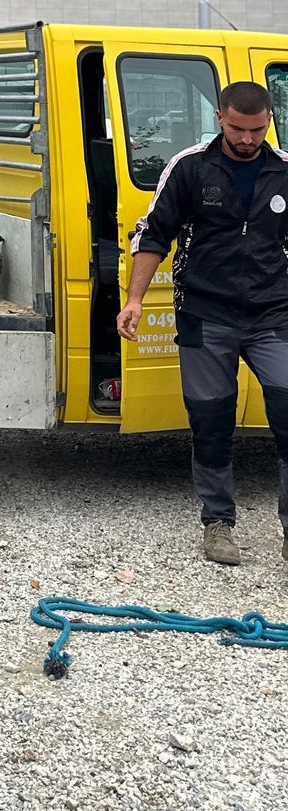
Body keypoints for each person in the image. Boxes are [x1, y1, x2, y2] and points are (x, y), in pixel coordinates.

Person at [118, 79, 288, 565]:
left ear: (269, 122)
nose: (247, 139)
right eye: (238, 128)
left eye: (257, 130)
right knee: (211, 424)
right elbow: (153, 236)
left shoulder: (284, 171)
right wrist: (134, 301)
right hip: (205, 313)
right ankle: (217, 523)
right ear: (220, 117)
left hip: (274, 313)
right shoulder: (191, 167)